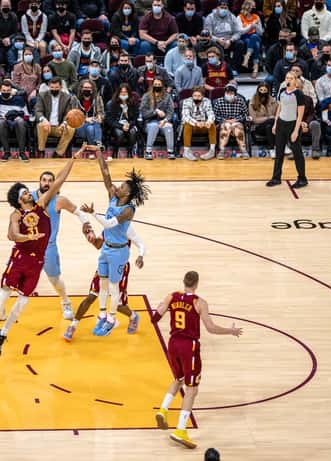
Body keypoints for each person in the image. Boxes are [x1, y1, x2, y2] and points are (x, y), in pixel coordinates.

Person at [0, 155, 80, 356]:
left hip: (37, 261)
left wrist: (73, 159)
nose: (29, 193)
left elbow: (59, 181)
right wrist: (27, 238)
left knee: (24, 301)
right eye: (25, 193)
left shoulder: (41, 204)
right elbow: (12, 235)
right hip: (20, 258)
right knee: (4, 293)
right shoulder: (16, 215)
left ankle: (3, 333)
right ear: (20, 199)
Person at [152, 270, 242, 449]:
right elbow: (210, 328)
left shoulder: (172, 296)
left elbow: (155, 318)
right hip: (189, 347)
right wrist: (230, 331)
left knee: (178, 379)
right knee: (192, 389)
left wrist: (164, 306)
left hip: (173, 343)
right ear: (197, 284)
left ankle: (163, 409)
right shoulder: (199, 302)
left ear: (183, 282)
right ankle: (180, 430)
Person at [81, 156, 150, 336]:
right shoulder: (113, 198)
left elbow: (110, 224)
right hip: (107, 248)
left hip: (119, 253)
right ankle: (103, 314)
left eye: (121, 187)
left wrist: (93, 213)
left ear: (127, 194)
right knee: (103, 284)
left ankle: (112, 319)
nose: (117, 188)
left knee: (114, 289)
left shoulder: (129, 210)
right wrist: (99, 156)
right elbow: (106, 176)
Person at [63, 222, 145, 341]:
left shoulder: (126, 229)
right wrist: (90, 237)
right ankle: (73, 326)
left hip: (119, 266)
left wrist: (141, 256)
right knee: (91, 296)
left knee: (117, 304)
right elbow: (98, 245)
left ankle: (133, 316)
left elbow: (140, 243)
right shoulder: (107, 228)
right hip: (106, 263)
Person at [268, 71, 308, 188]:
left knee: (297, 152)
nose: (288, 80)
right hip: (281, 123)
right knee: (279, 151)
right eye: (287, 78)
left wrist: (296, 131)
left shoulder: (299, 94)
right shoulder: (281, 91)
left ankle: (302, 178)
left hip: (293, 125)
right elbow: (280, 108)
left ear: (296, 80)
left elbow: (300, 114)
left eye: (291, 78)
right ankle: (276, 178)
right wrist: (275, 124)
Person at [35, 78, 78, 158]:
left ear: (61, 87)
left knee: (71, 128)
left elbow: (68, 113)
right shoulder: (42, 95)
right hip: (46, 126)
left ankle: (58, 153)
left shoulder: (67, 97)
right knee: (41, 125)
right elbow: (38, 111)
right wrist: (44, 120)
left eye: (56, 88)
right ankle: (41, 151)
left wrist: (64, 123)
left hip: (59, 127)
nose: (54, 89)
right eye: (52, 87)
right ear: (49, 86)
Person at [203, 0, 246, 73]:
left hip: (229, 40)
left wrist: (231, 40)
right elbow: (207, 34)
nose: (224, 9)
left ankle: (233, 68)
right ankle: (218, 68)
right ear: (217, 8)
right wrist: (218, 40)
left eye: (225, 8)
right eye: (221, 7)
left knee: (240, 44)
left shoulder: (232, 17)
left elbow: (238, 32)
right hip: (216, 41)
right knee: (211, 44)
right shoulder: (210, 17)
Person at [0, 80, 31, 161]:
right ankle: (7, 152)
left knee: (20, 121)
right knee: (0, 122)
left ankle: (22, 153)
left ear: (11, 90)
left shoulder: (19, 99)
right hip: (4, 122)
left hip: (17, 122)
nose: (6, 92)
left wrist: (19, 117)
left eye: (8, 90)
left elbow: (27, 115)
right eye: (4, 90)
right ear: (0, 90)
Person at [141, 79, 175, 159]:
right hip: (150, 122)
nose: (157, 86)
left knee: (168, 127)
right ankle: (148, 151)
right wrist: (155, 112)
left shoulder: (167, 96)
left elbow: (171, 111)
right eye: (155, 84)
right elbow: (144, 113)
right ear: (152, 85)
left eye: (159, 84)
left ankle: (171, 152)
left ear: (162, 86)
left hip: (163, 121)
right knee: (154, 126)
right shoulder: (146, 96)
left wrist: (165, 120)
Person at [212, 83, 249, 159]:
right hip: (223, 122)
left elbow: (246, 114)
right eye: (227, 93)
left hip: (237, 121)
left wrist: (236, 119)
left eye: (231, 93)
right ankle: (221, 151)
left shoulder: (241, 101)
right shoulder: (218, 101)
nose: (229, 94)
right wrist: (225, 120)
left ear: (235, 94)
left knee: (237, 128)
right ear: (225, 93)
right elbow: (214, 116)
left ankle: (243, 150)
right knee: (226, 126)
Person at [106, 83, 140, 159]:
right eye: (121, 92)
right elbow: (109, 120)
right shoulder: (111, 103)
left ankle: (130, 152)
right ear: (118, 93)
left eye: (125, 92)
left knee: (133, 132)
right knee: (120, 133)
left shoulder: (133, 103)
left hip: (129, 125)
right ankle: (115, 151)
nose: (123, 94)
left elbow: (135, 118)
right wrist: (121, 126)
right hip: (116, 125)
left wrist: (129, 125)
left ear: (129, 93)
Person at [74, 79, 104, 148]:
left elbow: (102, 113)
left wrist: (100, 117)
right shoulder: (75, 99)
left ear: (92, 89)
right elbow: (73, 116)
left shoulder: (97, 99)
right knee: (92, 126)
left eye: (89, 88)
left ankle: (95, 146)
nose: (87, 89)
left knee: (91, 128)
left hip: (93, 126)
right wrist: (85, 119)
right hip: (80, 126)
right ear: (81, 89)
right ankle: (98, 144)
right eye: (85, 88)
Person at [250, 82, 277, 157]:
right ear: (258, 90)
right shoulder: (252, 102)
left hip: (272, 127)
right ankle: (279, 146)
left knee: (269, 126)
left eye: (265, 90)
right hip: (258, 127)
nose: (262, 92)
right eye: (261, 90)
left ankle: (272, 149)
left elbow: (276, 115)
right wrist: (268, 118)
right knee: (270, 121)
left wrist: (271, 118)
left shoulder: (273, 101)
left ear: (268, 91)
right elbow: (255, 120)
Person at [238, 0, 263, 77]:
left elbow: (261, 33)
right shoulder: (240, 17)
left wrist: (256, 26)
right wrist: (251, 26)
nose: (254, 8)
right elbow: (240, 31)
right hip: (245, 37)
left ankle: (246, 58)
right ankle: (255, 67)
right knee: (256, 45)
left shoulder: (256, 17)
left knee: (254, 36)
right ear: (247, 6)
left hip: (256, 36)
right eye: (253, 6)